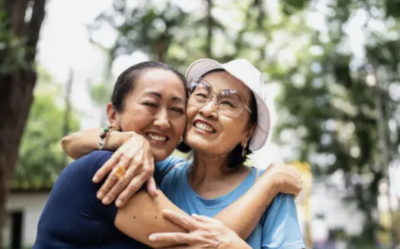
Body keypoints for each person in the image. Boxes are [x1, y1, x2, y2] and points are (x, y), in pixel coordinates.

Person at [59, 59, 306, 249]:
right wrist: (128, 139)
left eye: (228, 103)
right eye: (201, 95)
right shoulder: (159, 173)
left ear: (248, 131)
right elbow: (72, 144)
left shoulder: (273, 195)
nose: (209, 109)